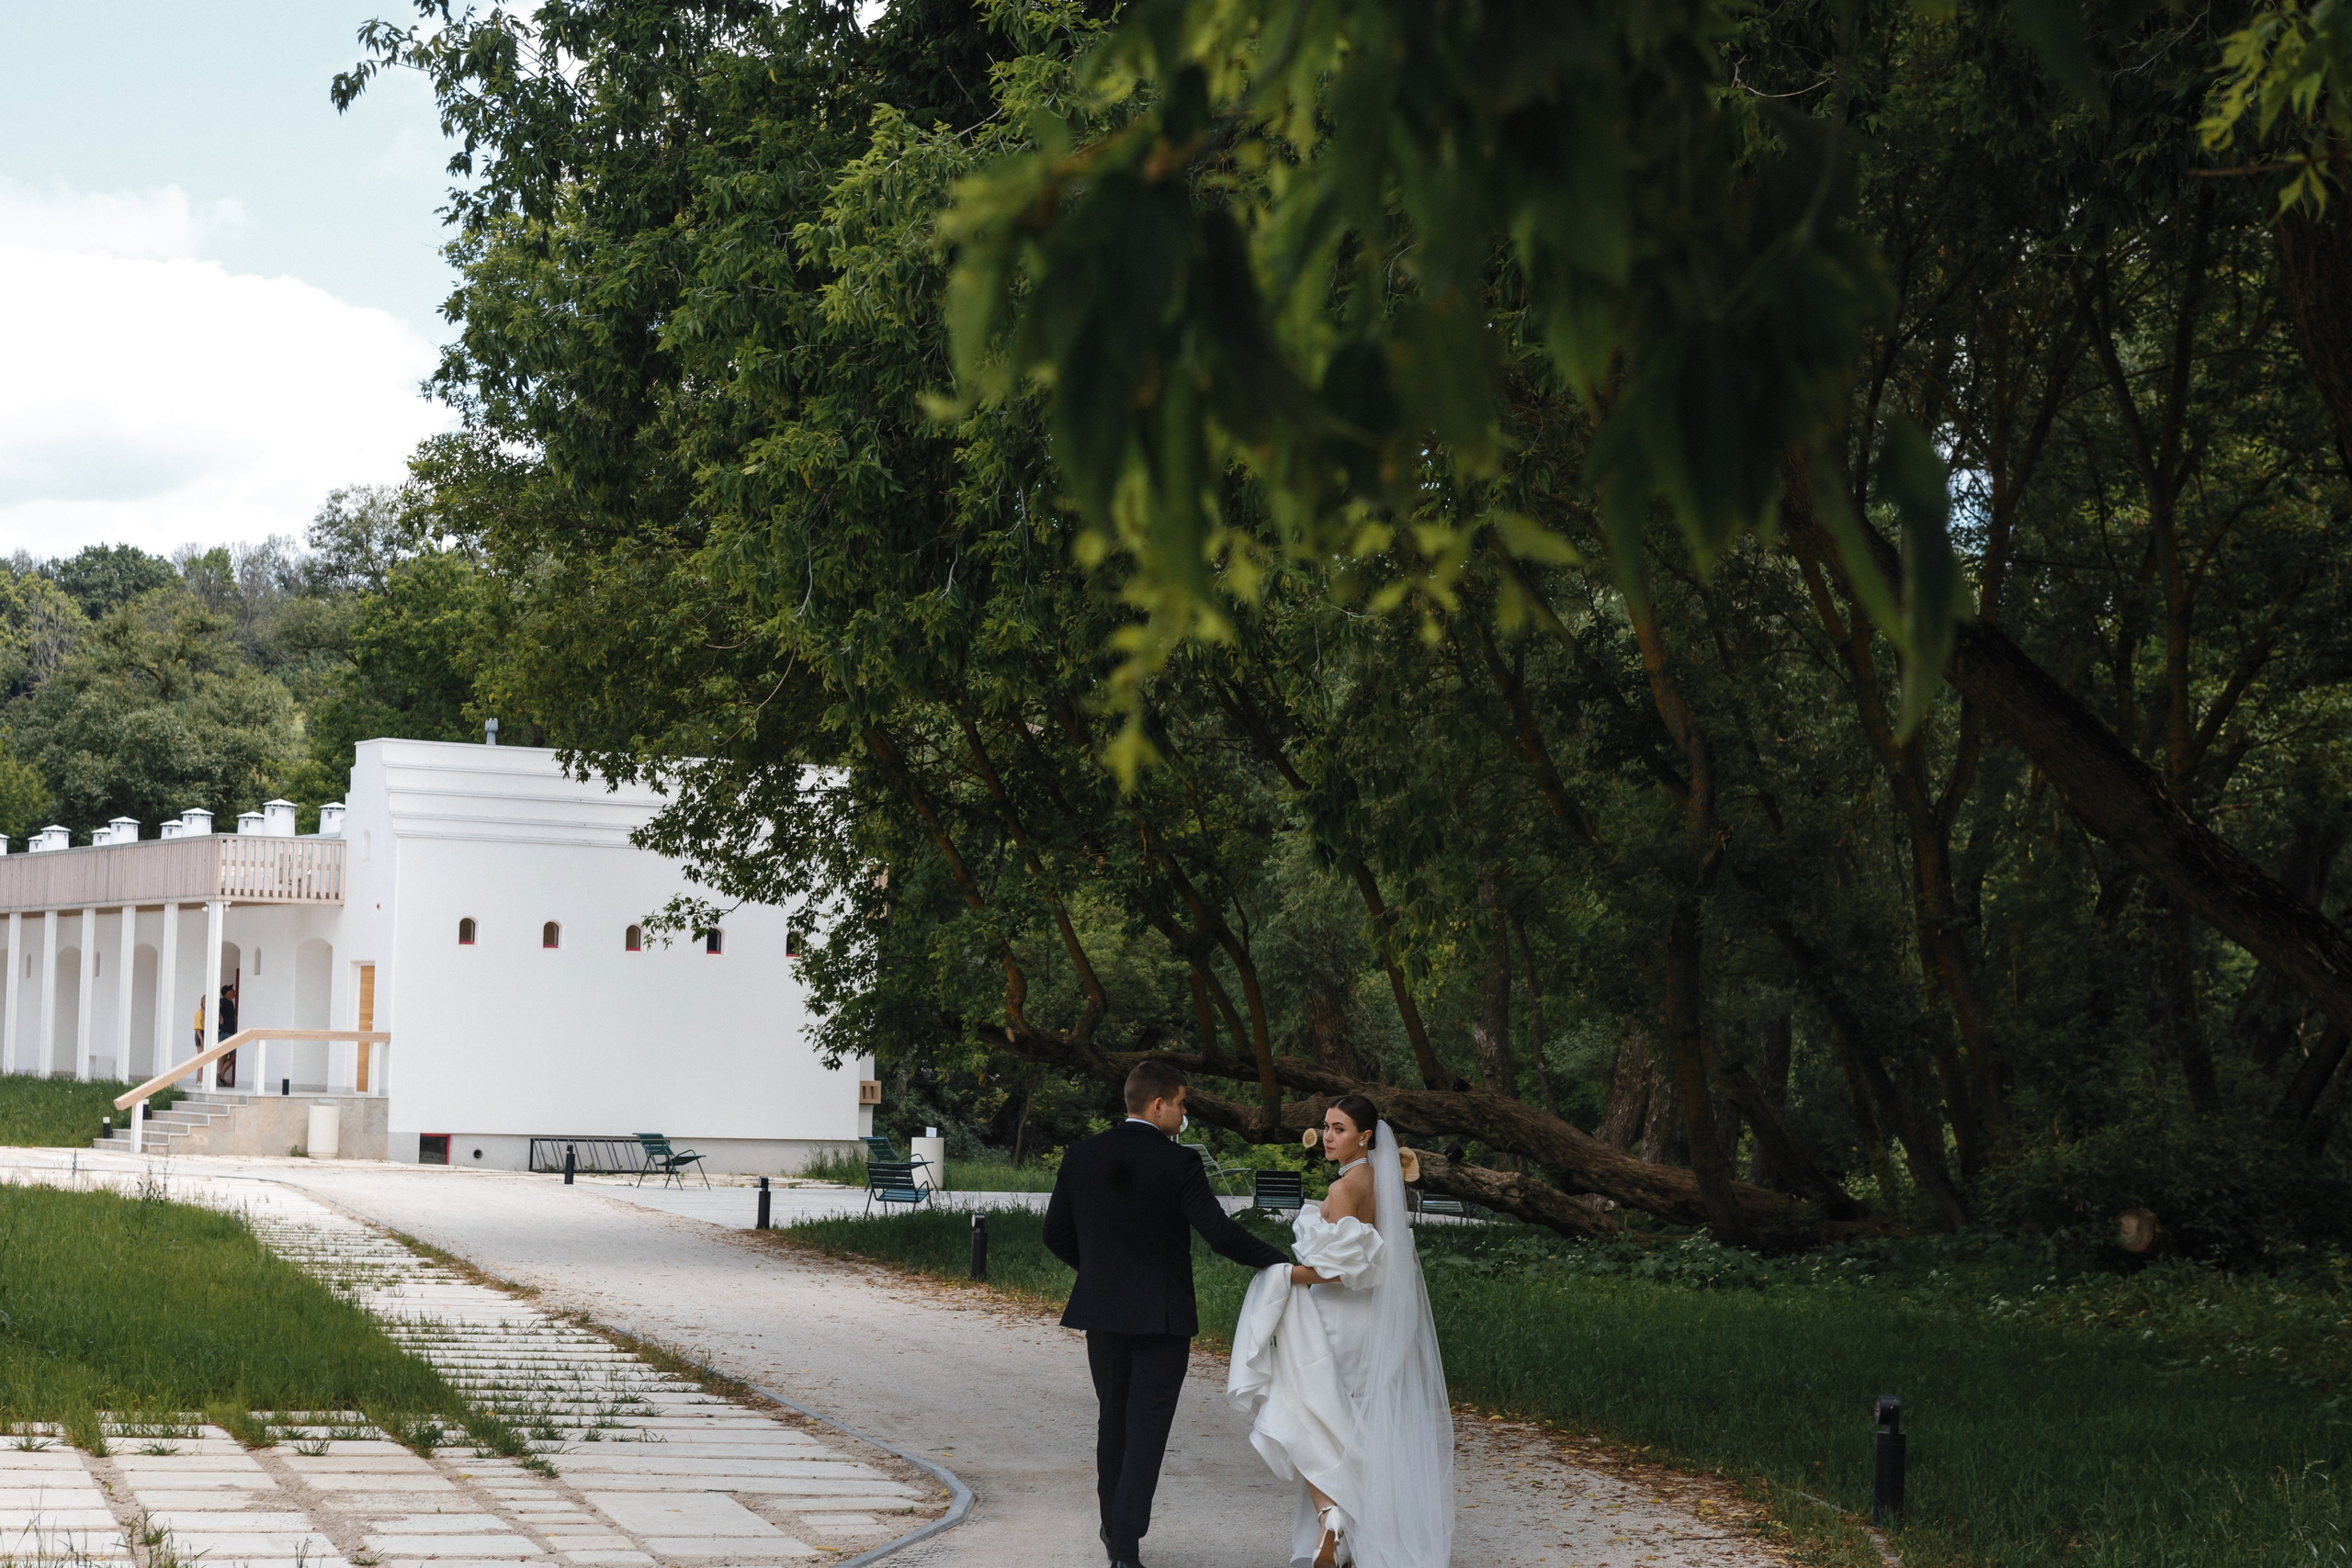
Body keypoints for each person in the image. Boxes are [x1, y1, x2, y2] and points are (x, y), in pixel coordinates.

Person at [1044, 1062, 1293, 1568]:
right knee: (1148, 1427)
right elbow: (1221, 1236)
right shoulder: (1179, 1163)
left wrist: (1098, 1273)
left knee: (1112, 1421)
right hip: (1163, 1318)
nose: (1184, 1115)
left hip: (1104, 1314)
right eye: (1181, 1104)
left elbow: (1055, 1234)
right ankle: (1126, 1545)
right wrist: (1284, 1263)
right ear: (1159, 1105)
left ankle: (1115, 1534)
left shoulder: (1082, 1154)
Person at [1227, 1095, 1454, 1568]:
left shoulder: (1347, 1187)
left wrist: (1284, 1274)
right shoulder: (1378, 1182)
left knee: (1306, 1413)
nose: (1328, 1137)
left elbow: (1341, 1269)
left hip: (1335, 1315)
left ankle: (1331, 1514)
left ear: (1365, 1137)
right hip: (1367, 1317)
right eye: (1326, 1127)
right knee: (1348, 1422)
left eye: (1339, 1129)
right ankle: (1351, 1533)